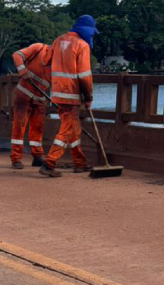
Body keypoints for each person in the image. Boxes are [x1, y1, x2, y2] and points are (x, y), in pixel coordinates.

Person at [39, 15, 98, 178]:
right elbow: (85, 76)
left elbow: (45, 60)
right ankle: (49, 163)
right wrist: (88, 97)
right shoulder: (82, 45)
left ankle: (79, 163)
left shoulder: (58, 40)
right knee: (67, 129)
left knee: (73, 127)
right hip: (71, 94)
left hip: (57, 92)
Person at [9, 43, 53, 169]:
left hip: (40, 99)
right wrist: (22, 70)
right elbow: (17, 55)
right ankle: (16, 158)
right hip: (24, 96)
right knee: (19, 127)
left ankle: (37, 156)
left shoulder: (58, 61)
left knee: (37, 129)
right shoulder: (38, 48)